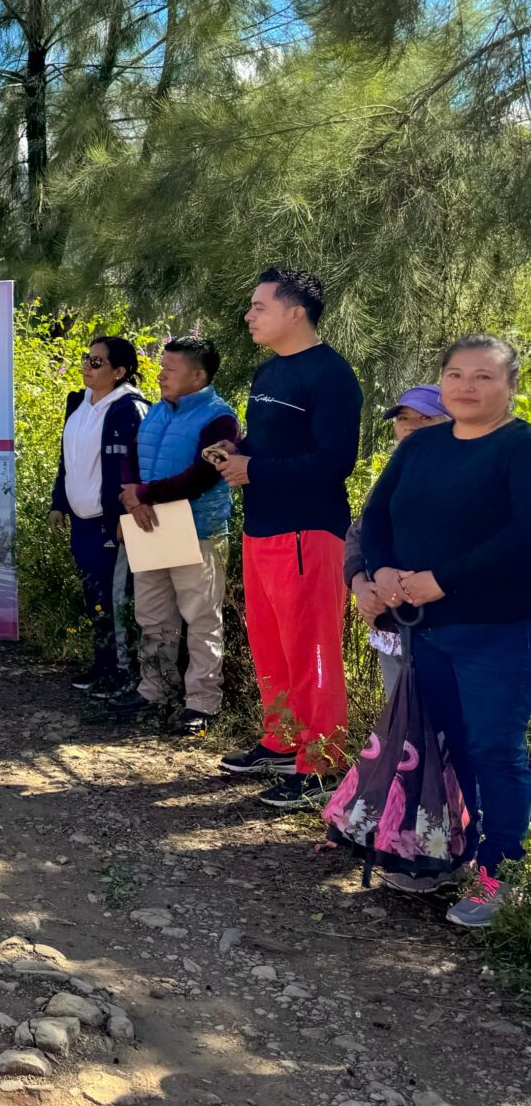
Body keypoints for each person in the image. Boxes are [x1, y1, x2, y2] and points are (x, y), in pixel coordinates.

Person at [360, 335, 531, 928]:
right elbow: (378, 514)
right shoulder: (423, 446)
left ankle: (499, 874)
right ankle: (455, 852)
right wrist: (377, 570)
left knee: (494, 750)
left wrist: (443, 579)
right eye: (456, 374)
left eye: (483, 377)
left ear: (511, 385)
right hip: (426, 630)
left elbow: (521, 539)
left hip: (497, 629)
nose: (466, 386)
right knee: (452, 750)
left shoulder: (520, 447)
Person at [212, 267, 362, 809]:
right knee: (270, 644)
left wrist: (258, 470)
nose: (249, 315)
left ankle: (322, 764)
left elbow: (335, 462)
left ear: (295, 311)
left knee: (310, 650)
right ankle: (282, 741)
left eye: (259, 306)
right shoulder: (269, 374)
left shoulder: (331, 375)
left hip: (309, 531)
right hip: (262, 528)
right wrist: (238, 453)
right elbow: (271, 444)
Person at [112, 339, 237, 735]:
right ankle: (156, 690)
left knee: (201, 618)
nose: (161, 375)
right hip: (150, 524)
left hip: (199, 531)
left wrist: (144, 494)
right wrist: (134, 498)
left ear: (198, 376)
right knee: (152, 614)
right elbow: (132, 457)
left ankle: (202, 703)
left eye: (170, 369)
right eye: (161, 367)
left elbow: (202, 477)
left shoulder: (221, 419)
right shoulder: (157, 411)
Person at [49, 336, 146, 695]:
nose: (87, 367)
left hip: (114, 524)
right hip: (82, 520)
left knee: (117, 596)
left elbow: (136, 468)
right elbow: (68, 460)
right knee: (96, 597)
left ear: (119, 372)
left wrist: (126, 515)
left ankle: (124, 672)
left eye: (97, 362)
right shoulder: (79, 402)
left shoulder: (129, 408)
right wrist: (59, 502)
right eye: (87, 359)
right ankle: (103, 664)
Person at [344, 386, 450, 705]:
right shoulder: (393, 472)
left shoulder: (463, 472)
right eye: (404, 418)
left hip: (446, 625)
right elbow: (359, 535)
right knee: (403, 728)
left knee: (453, 732)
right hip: (392, 623)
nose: (410, 426)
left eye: (424, 418)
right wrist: (362, 586)